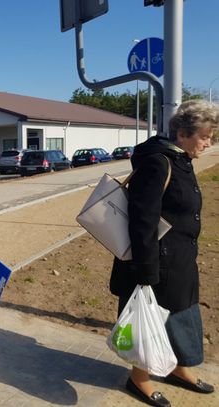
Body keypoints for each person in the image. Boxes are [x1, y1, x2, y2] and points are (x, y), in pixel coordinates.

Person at [110, 99, 219, 407]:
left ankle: (177, 369)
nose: (209, 143)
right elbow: (143, 220)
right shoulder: (159, 162)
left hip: (181, 258)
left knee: (182, 315)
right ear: (183, 133)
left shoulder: (181, 158)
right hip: (157, 261)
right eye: (205, 136)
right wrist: (145, 271)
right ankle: (139, 379)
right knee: (151, 322)